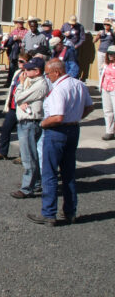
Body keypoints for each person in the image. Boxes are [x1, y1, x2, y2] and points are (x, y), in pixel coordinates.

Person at [27, 58, 93, 226]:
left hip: (57, 131)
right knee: (69, 173)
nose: (47, 77)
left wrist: (43, 123)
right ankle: (70, 212)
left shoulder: (59, 89)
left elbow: (57, 117)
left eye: (48, 74)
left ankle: (49, 213)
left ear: (57, 72)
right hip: (73, 130)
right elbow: (89, 107)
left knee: (49, 173)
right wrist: (77, 117)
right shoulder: (79, 84)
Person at [10, 57, 49, 198]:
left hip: (30, 122)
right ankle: (35, 182)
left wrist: (20, 86)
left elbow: (18, 96)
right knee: (31, 155)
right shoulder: (31, 81)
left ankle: (27, 187)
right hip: (25, 121)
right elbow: (18, 99)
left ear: (37, 71)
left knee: (29, 157)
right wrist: (20, 100)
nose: (24, 71)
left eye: (28, 69)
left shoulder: (40, 84)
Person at [99, 45, 115, 141]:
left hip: (114, 89)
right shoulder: (106, 64)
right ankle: (109, 131)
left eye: (112, 54)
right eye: (109, 54)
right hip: (106, 89)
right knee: (107, 111)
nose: (110, 56)